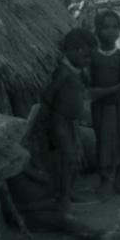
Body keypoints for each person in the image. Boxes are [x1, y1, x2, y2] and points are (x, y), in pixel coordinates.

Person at [4, 123, 120, 240]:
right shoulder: (7, 171)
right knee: (64, 220)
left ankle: (105, 233)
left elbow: (44, 180)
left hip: (40, 205)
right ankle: (102, 236)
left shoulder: (22, 162)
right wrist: (44, 204)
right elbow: (12, 208)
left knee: (65, 217)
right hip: (29, 214)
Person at [41, 28, 96, 214]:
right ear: (74, 51)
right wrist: (48, 122)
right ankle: (63, 199)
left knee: (71, 160)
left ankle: (68, 193)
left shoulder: (76, 69)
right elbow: (49, 94)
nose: (87, 61)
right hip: (60, 121)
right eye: (86, 56)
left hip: (69, 123)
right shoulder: (63, 71)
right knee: (68, 158)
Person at [89, 9, 120, 199]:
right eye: (106, 27)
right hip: (99, 108)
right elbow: (89, 83)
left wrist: (100, 92)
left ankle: (119, 180)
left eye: (115, 27)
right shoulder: (92, 56)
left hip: (117, 105)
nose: (111, 31)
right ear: (97, 30)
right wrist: (96, 93)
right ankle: (105, 181)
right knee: (103, 142)